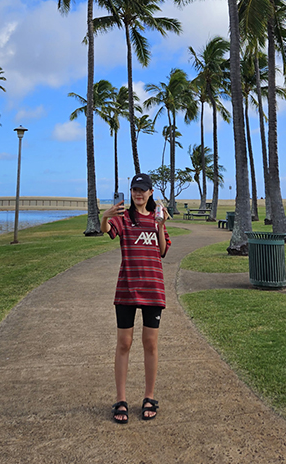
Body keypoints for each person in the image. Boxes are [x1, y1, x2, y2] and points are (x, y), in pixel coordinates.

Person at [100, 172, 171, 424]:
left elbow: (162, 250)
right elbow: (107, 230)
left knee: (150, 344)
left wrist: (161, 225)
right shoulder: (124, 218)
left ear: (151, 193)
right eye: (134, 190)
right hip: (127, 290)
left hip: (153, 289)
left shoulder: (156, 218)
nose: (138, 194)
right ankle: (121, 399)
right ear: (130, 193)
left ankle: (149, 397)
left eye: (142, 190)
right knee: (124, 343)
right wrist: (105, 216)